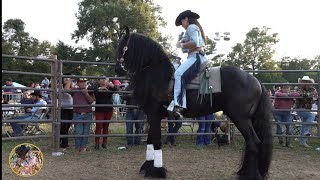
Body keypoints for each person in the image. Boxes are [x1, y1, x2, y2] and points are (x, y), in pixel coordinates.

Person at [169, 10, 207, 114]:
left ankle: (179, 105)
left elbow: (195, 43)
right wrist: (181, 42)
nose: (182, 25)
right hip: (194, 56)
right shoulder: (190, 30)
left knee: (179, 74)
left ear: (186, 19)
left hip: (196, 57)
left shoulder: (191, 27)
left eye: (181, 22)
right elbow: (185, 41)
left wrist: (182, 45)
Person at [65, 77, 95, 153]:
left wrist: (86, 94)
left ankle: (83, 148)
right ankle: (78, 148)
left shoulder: (90, 90)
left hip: (88, 114)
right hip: (77, 114)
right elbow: (66, 89)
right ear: (78, 83)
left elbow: (91, 101)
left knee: (85, 132)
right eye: (81, 82)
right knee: (78, 131)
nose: (83, 83)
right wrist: (70, 80)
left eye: (84, 82)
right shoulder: (75, 90)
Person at [93, 76, 117, 150]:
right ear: (99, 81)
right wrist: (101, 88)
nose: (103, 81)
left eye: (105, 80)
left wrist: (111, 85)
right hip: (99, 110)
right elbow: (93, 90)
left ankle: (104, 143)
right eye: (102, 79)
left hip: (108, 109)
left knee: (106, 126)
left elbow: (116, 90)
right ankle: (97, 143)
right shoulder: (96, 88)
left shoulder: (109, 88)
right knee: (99, 126)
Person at [273, 83, 300, 148]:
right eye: (284, 88)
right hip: (277, 112)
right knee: (279, 126)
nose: (286, 89)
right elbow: (278, 94)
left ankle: (288, 143)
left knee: (289, 126)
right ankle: (281, 142)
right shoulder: (278, 92)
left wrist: (289, 94)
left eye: (287, 88)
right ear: (281, 88)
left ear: (289, 88)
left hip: (287, 112)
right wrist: (289, 95)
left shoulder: (291, 93)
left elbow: (297, 94)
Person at [295, 76, 318, 148]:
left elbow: (313, 101)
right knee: (312, 116)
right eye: (304, 81)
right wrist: (310, 95)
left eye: (307, 81)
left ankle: (303, 142)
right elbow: (300, 95)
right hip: (300, 108)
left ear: (309, 83)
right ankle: (306, 132)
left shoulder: (313, 89)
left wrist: (315, 97)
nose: (305, 83)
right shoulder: (298, 89)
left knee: (304, 125)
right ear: (301, 82)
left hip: (307, 109)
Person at [59, 78, 74, 150]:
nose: (67, 80)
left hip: (71, 110)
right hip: (63, 109)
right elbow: (65, 90)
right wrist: (70, 80)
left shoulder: (73, 88)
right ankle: (63, 143)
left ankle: (64, 142)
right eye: (66, 79)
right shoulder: (61, 88)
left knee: (67, 126)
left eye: (69, 79)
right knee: (63, 126)